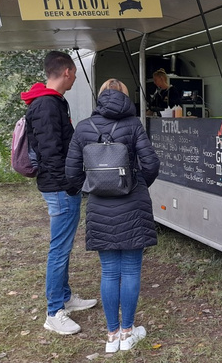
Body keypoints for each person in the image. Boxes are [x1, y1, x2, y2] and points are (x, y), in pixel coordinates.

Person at [65, 78, 160, 353]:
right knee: (130, 270)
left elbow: (71, 174)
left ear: (101, 96)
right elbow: (151, 163)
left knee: (109, 271)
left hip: (99, 206)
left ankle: (111, 336)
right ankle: (128, 333)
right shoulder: (133, 125)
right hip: (133, 205)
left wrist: (92, 187)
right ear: (126, 98)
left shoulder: (84, 127)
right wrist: (137, 183)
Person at [21, 51, 97, 335]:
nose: (75, 77)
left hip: (62, 186)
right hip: (60, 188)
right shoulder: (46, 105)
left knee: (62, 246)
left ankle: (65, 297)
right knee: (60, 249)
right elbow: (52, 152)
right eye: (74, 72)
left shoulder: (49, 102)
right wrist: (69, 183)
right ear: (66, 71)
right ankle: (54, 311)